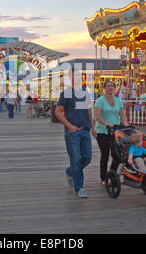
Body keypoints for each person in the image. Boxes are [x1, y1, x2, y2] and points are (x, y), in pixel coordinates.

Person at [55, 68, 96, 198]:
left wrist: (93, 127)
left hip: (85, 130)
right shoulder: (66, 93)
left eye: (78, 75)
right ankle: (79, 188)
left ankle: (70, 171)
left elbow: (89, 110)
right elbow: (57, 111)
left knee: (87, 157)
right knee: (76, 159)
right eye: (74, 76)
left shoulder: (85, 92)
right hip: (72, 131)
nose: (77, 78)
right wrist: (69, 125)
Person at [94, 81, 129, 186]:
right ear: (104, 88)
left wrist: (126, 123)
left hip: (115, 131)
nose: (110, 87)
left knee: (117, 155)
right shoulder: (100, 101)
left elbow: (122, 114)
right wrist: (106, 123)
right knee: (105, 154)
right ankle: (103, 178)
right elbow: (97, 116)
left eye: (112, 86)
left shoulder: (118, 101)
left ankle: (112, 174)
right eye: (108, 86)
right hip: (102, 131)